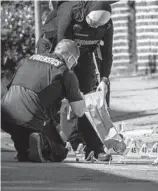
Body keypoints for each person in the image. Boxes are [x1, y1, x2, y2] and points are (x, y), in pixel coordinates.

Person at [36, 1, 114, 161]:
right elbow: (61, 47)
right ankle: (48, 144)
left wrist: (104, 80)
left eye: (98, 26)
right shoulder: (70, 11)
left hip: (81, 53)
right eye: (92, 23)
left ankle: (93, 148)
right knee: (53, 96)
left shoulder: (106, 25)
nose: (93, 28)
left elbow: (106, 54)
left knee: (89, 96)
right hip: (54, 49)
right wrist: (67, 85)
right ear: (85, 14)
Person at [1, 39, 84, 162]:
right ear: (71, 58)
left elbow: (16, 89)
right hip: (30, 121)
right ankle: (43, 144)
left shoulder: (29, 60)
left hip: (5, 117)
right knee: (60, 153)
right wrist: (78, 97)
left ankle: (26, 149)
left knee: (25, 149)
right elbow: (79, 111)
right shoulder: (66, 72)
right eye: (75, 62)